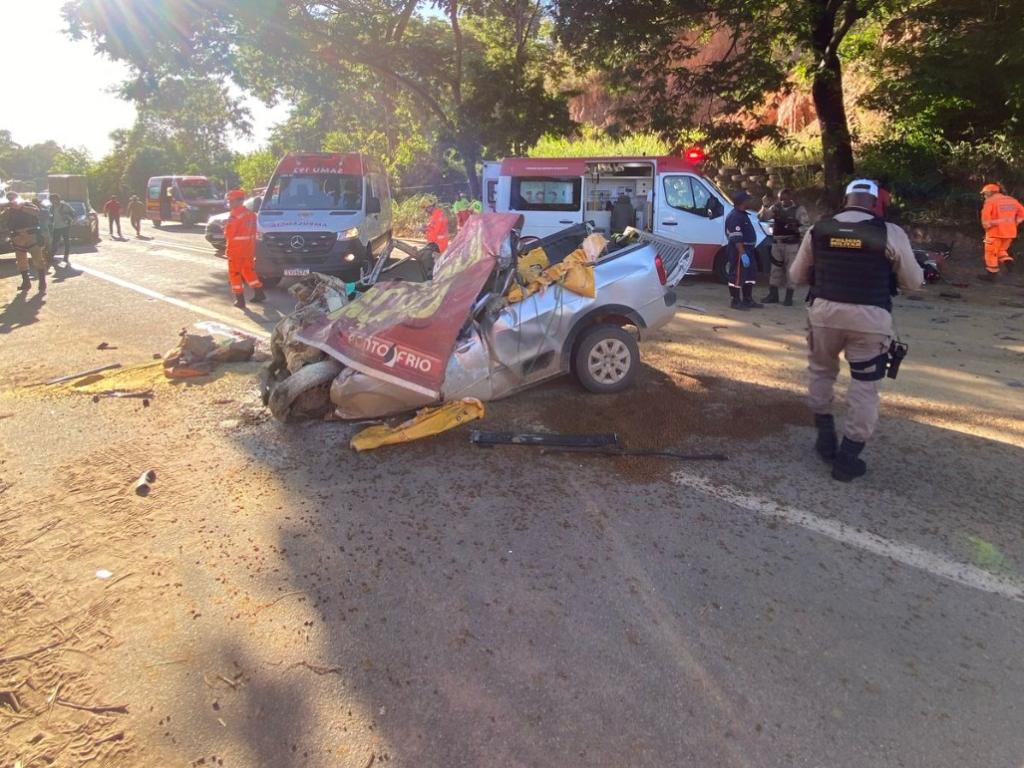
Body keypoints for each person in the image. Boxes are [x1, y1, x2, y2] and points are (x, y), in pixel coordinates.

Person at [789, 179, 923, 482]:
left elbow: (796, 275)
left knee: (821, 372)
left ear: (846, 199)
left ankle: (825, 438)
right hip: (869, 319)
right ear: (875, 203)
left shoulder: (819, 229)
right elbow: (913, 282)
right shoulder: (890, 232)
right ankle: (848, 458)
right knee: (864, 386)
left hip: (823, 314)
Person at [759, 188, 811, 305]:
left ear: (790, 198)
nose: (782, 201)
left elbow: (806, 227)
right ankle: (773, 295)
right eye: (780, 199)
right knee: (775, 270)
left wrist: (796, 229)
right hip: (777, 243)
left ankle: (789, 298)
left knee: (791, 271)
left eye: (785, 199)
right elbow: (763, 217)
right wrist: (765, 205)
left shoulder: (798, 210)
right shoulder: (776, 207)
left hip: (791, 244)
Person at [223, 188, 265, 308]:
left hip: (236, 250)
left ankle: (240, 300)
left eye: (230, 201)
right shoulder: (251, 214)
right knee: (248, 271)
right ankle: (259, 292)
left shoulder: (235, 216)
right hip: (249, 249)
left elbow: (229, 234)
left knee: (235, 274)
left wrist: (225, 228)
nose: (229, 204)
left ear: (238, 201)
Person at [1, 192, 47, 292]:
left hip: (31, 234)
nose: (11, 200)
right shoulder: (9, 210)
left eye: (12, 198)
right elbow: (2, 218)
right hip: (17, 236)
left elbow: (36, 211)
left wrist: (20, 207)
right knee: (21, 260)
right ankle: (26, 282)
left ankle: (42, 282)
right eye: (9, 198)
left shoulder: (26, 204)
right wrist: (6, 208)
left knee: (38, 259)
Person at [978, 183, 1024, 281]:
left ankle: (991, 275)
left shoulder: (990, 202)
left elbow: (985, 218)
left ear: (989, 193)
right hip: (1010, 232)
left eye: (985, 194)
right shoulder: (1012, 200)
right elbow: (1022, 213)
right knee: (1000, 250)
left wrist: (987, 227)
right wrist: (1015, 223)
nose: (984, 196)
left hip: (995, 233)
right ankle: (1008, 261)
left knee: (991, 253)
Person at [725, 191, 762, 310]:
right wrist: (742, 253)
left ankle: (747, 299)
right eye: (747, 200)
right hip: (740, 250)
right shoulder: (735, 216)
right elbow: (736, 238)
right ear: (742, 202)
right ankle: (735, 301)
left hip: (749, 250)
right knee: (737, 275)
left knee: (750, 275)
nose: (749, 202)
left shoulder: (743, 214)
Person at [49, 193, 76, 265]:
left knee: (66, 242)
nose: (52, 201)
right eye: (51, 200)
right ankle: (51, 256)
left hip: (65, 226)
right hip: (56, 227)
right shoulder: (52, 207)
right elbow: (51, 217)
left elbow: (73, 213)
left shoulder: (65, 205)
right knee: (55, 242)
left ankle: (66, 257)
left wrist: (67, 216)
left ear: (57, 199)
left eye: (53, 200)